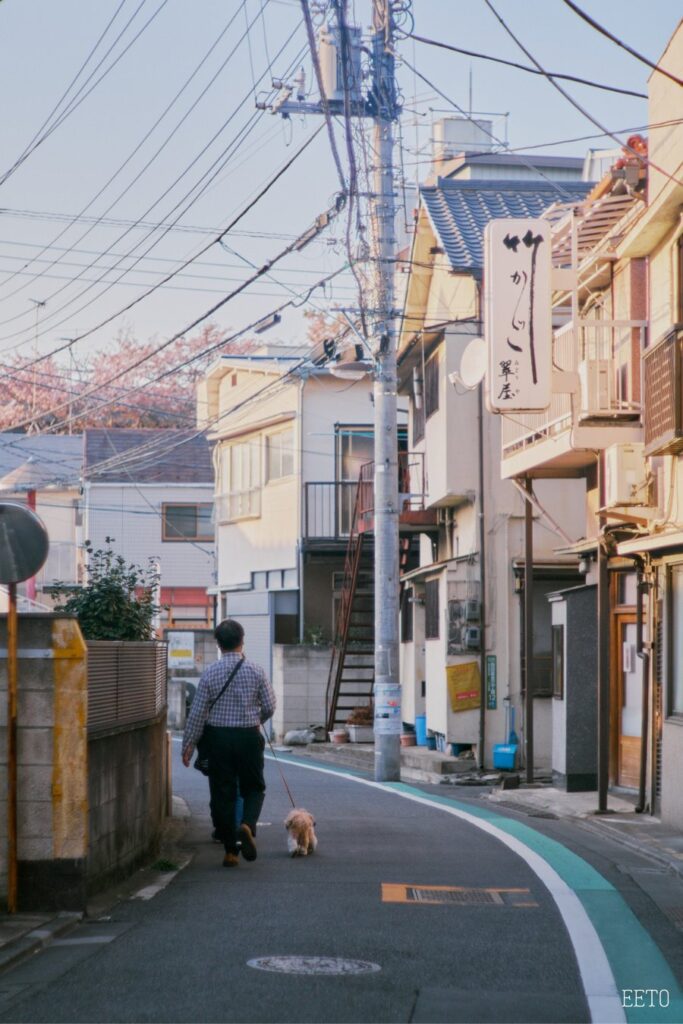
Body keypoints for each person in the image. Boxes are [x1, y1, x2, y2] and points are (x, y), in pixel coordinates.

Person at [182, 619, 276, 868]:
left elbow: (198, 712)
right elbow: (270, 705)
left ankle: (230, 852)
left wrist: (188, 745)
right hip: (248, 737)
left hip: (218, 740)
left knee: (223, 794)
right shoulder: (256, 670)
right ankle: (246, 825)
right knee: (253, 788)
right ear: (242, 640)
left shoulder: (211, 672)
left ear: (219, 644)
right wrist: (256, 720)